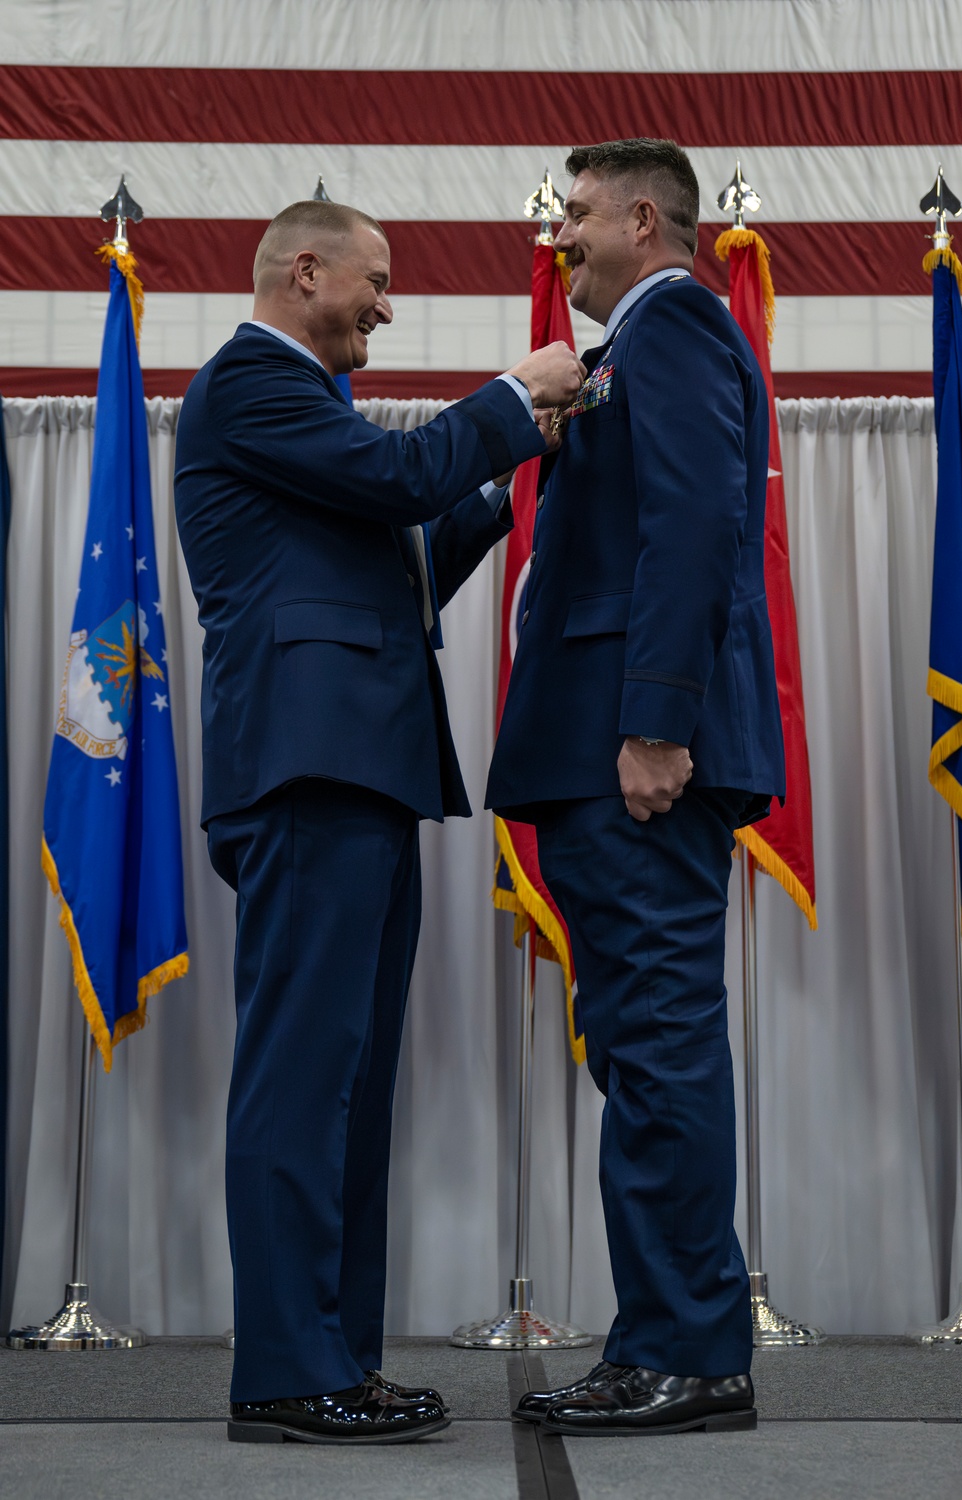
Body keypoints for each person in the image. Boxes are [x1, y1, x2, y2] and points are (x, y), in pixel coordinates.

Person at [174, 199, 583, 1445]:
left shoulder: (312, 417)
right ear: (304, 269)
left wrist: (515, 476)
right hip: (308, 770)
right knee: (304, 1077)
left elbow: (399, 547)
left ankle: (335, 1361)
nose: (387, 307)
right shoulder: (248, 385)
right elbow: (401, 480)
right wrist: (512, 396)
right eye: (375, 282)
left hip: (358, 768)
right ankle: (288, 1374)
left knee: (347, 1081)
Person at [487, 139, 785, 1436]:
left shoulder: (673, 328)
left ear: (646, 221)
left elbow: (702, 520)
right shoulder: (632, 346)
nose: (559, 239)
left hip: (639, 761)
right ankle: (667, 1336)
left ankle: (687, 1350)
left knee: (658, 1048)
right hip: (602, 758)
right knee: (641, 1048)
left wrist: (658, 723)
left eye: (580, 217)